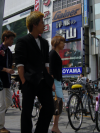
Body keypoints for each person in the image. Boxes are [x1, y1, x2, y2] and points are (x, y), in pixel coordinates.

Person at [15, 11, 55, 133]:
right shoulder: (23, 41)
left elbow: (46, 63)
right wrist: (23, 80)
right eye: (42, 23)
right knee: (26, 111)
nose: (44, 25)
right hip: (29, 81)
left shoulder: (44, 42)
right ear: (34, 25)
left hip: (43, 81)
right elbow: (20, 64)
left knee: (49, 107)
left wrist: (49, 79)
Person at [0, 30, 16, 133]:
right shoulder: (0, 49)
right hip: (0, 81)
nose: (12, 42)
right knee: (1, 105)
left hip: (7, 81)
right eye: (11, 39)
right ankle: (1, 127)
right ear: (5, 38)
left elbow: (11, 65)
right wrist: (6, 69)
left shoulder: (9, 52)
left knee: (9, 102)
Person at [49, 35, 65, 133]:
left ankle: (55, 126)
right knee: (58, 103)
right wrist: (52, 83)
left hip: (57, 81)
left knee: (57, 103)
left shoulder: (56, 54)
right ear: (57, 43)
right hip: (54, 81)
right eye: (62, 42)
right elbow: (50, 70)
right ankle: (55, 127)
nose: (64, 44)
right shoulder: (52, 54)